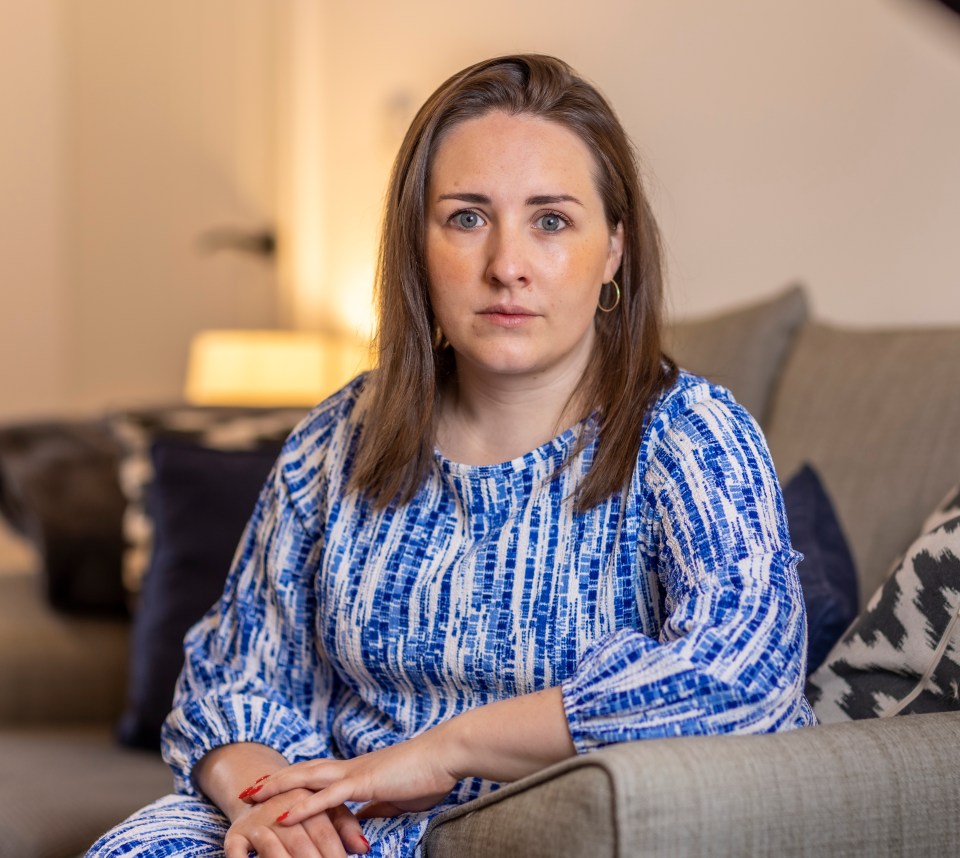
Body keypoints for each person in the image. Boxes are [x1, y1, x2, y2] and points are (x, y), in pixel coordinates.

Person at [88, 53, 814, 858]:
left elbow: (742, 677)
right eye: (468, 217)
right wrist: (275, 804)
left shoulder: (690, 434)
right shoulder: (339, 438)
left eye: (551, 221)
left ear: (614, 249)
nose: (507, 266)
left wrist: (438, 752)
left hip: (541, 833)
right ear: (418, 246)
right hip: (336, 821)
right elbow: (233, 679)